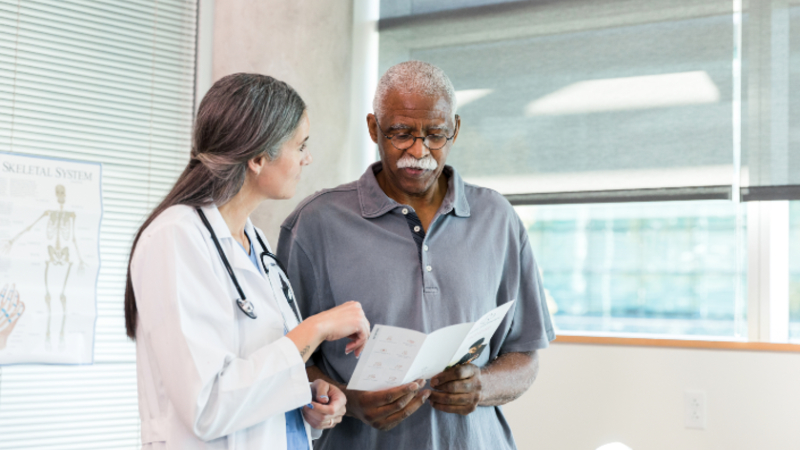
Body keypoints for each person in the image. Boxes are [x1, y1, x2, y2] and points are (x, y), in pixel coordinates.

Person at [278, 61, 555, 449]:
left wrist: (482, 386)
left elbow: (525, 357)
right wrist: (351, 402)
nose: (418, 150)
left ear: (454, 129)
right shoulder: (315, 224)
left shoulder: (498, 219)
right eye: (401, 133)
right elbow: (283, 360)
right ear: (374, 128)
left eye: (435, 134)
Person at [124, 73, 370, 450]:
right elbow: (206, 405)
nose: (308, 158)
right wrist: (315, 330)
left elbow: (255, 376)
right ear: (257, 158)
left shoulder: (253, 242)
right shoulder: (176, 238)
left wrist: (306, 398)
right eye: (300, 145)